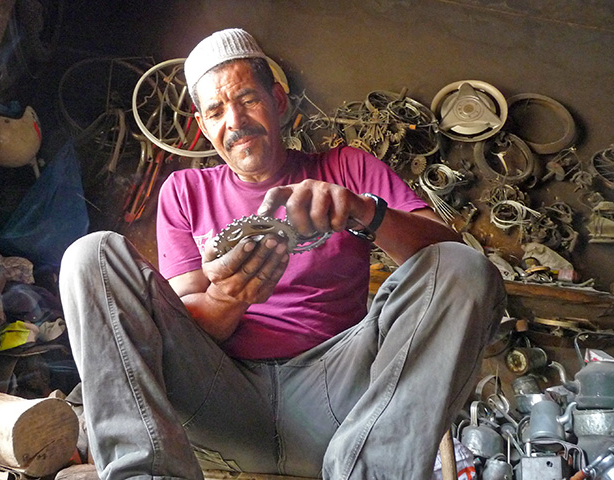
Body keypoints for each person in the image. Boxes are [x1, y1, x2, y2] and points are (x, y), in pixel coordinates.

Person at [60, 28, 506, 480]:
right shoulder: (184, 191)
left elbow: (451, 252)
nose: (234, 121)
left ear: (278, 100)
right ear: (202, 126)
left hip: (338, 404)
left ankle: (375, 472)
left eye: (247, 99)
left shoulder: (345, 167)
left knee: (463, 267)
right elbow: (184, 335)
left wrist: (361, 210)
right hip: (221, 402)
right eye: (216, 111)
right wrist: (226, 299)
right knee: (89, 255)